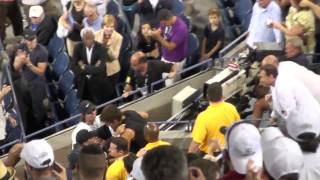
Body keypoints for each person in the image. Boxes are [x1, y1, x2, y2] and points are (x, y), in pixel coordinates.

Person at [258, 65, 320, 137]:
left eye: (262, 77)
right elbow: (277, 105)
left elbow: (292, 114)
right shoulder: (274, 84)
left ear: (271, 76)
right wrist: (274, 116)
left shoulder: (283, 87)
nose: (260, 80)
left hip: (308, 121)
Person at [13, 29, 48, 135]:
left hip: (37, 84)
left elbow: (41, 72)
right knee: (27, 108)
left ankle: (42, 131)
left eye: (33, 39)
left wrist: (28, 63)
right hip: (25, 82)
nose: (32, 42)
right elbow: (15, 67)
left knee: (39, 110)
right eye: (29, 40)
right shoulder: (21, 48)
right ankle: (31, 131)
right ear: (25, 40)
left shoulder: (42, 51)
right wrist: (21, 61)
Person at [188, 82, 240, 154]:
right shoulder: (231, 108)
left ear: (207, 96)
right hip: (230, 152)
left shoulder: (203, 117)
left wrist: (188, 159)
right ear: (222, 95)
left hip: (212, 155)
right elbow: (238, 128)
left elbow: (196, 143)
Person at [71, 27, 114, 105]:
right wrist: (92, 68)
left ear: (94, 37)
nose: (89, 41)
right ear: (82, 39)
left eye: (90, 38)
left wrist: (84, 67)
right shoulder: (78, 47)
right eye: (86, 39)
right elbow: (74, 66)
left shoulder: (101, 48)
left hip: (100, 86)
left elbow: (100, 69)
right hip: (84, 86)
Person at [150, 9, 188, 84]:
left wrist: (158, 37)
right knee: (163, 80)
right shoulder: (165, 23)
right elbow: (158, 31)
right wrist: (151, 33)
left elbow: (171, 47)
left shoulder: (181, 28)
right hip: (165, 57)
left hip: (175, 61)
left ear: (167, 20)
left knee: (170, 85)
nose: (162, 25)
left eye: (163, 23)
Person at [95, 15, 123, 87]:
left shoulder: (118, 37)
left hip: (112, 70)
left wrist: (108, 47)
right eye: (107, 26)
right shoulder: (96, 35)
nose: (109, 29)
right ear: (103, 26)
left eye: (111, 27)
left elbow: (114, 57)